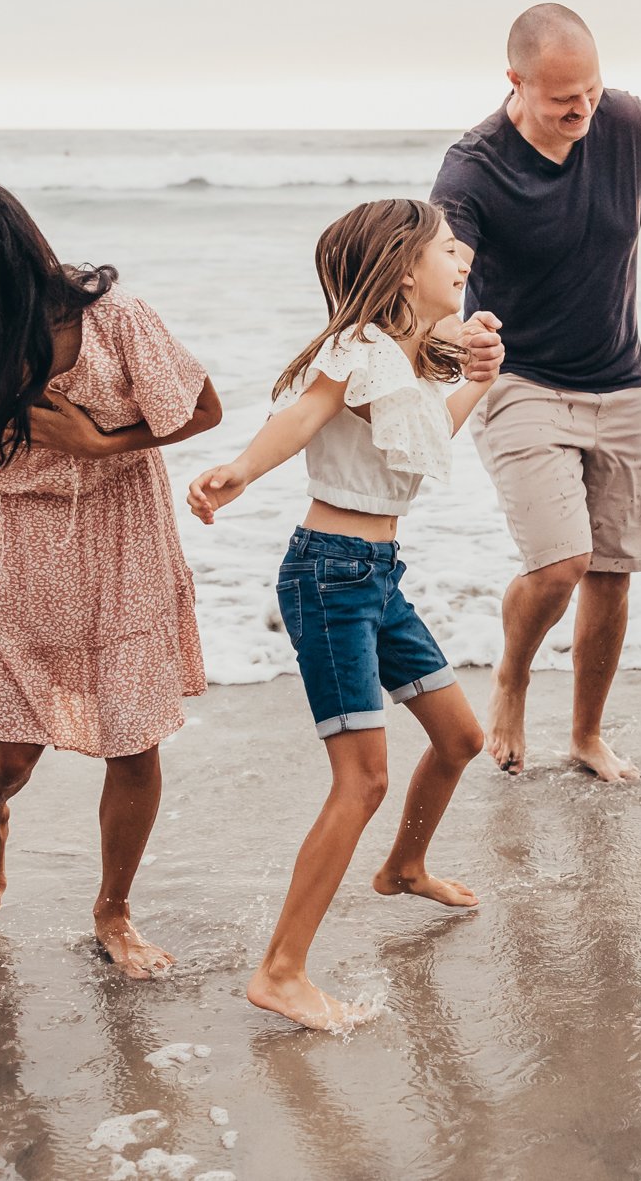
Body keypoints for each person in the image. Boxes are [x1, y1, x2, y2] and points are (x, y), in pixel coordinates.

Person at [0, 176, 221, 978]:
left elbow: (199, 408)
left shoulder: (114, 323)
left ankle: (114, 909)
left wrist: (100, 441)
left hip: (121, 551)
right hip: (15, 558)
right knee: (8, 757)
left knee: (134, 744)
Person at [185, 198, 505, 1030]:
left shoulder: (406, 356)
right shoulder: (357, 350)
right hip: (328, 578)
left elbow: (426, 440)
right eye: (446, 247)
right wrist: (240, 472)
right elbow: (298, 420)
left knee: (461, 738)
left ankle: (402, 866)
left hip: (376, 574)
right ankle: (280, 970)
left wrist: (475, 376)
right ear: (404, 269)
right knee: (361, 778)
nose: (463, 254)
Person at [430, 3, 641, 781]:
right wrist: (457, 338)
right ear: (515, 83)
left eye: (591, 89)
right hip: (517, 378)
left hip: (619, 378)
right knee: (561, 562)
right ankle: (511, 678)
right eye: (561, 98)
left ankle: (585, 734)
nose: (582, 109)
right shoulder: (473, 168)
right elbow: (433, 287)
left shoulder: (626, 124)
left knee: (613, 569)